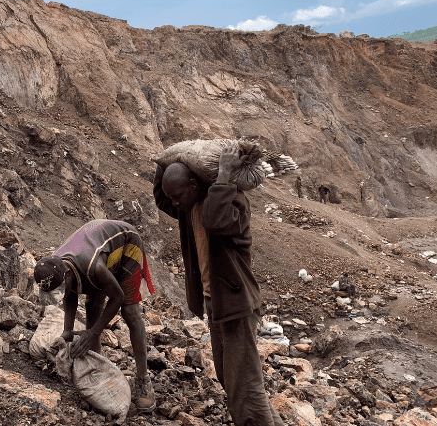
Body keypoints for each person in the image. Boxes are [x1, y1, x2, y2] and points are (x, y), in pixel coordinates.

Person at [153, 144, 285, 426]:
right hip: (218, 304)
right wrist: (165, 162)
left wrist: (224, 175)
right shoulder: (190, 204)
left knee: (244, 386)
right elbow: (162, 200)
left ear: (193, 185)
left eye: (178, 196)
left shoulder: (232, 202)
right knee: (232, 379)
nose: (174, 204)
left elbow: (213, 221)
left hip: (237, 305)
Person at [33, 219, 157, 413]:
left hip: (126, 244)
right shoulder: (54, 266)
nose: (60, 294)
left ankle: (143, 380)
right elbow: (70, 295)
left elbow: (117, 297)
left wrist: (92, 332)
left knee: (130, 312)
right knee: (92, 304)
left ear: (66, 276)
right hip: (99, 247)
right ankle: (99, 365)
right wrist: (67, 331)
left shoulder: (95, 268)